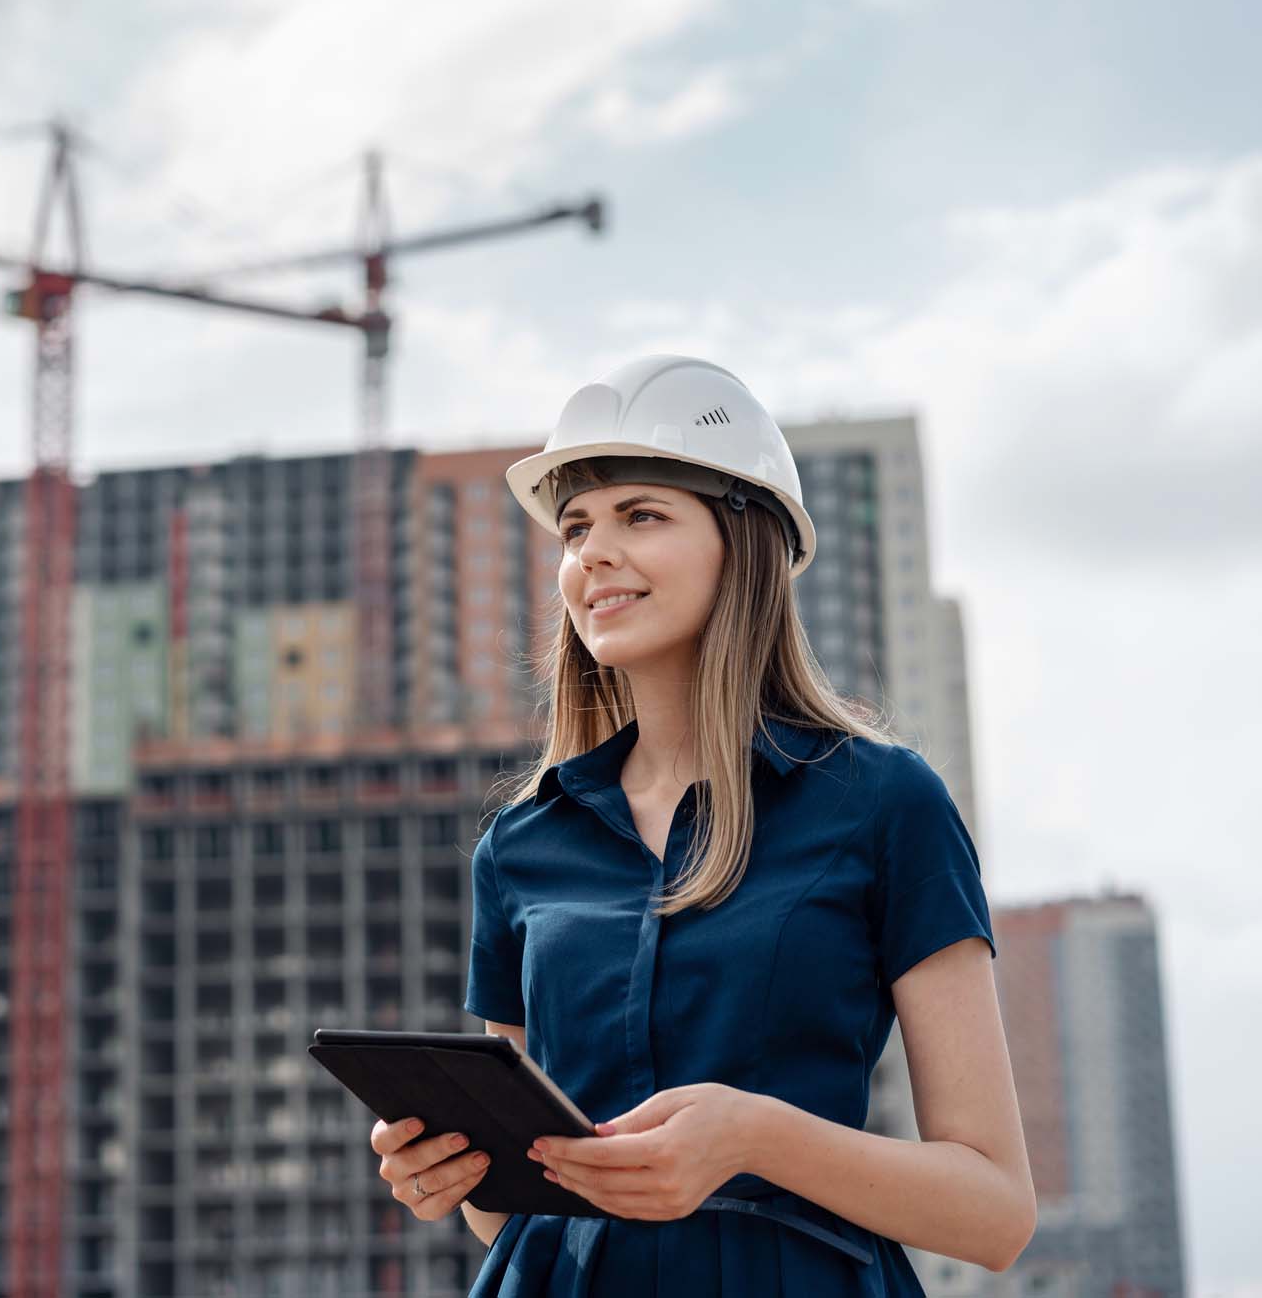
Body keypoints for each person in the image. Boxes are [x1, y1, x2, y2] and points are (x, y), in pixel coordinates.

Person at [371, 355, 1037, 1295]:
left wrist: (754, 1136)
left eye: (641, 514)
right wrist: (453, 1168)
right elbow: (512, 1213)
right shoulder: (520, 848)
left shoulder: (886, 803)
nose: (593, 551)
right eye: (575, 528)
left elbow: (996, 1213)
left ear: (744, 541)